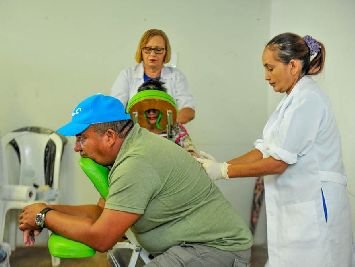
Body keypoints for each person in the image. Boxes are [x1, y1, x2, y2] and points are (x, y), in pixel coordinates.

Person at [19, 94, 253, 267]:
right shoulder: (132, 147)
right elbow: (101, 213)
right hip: (190, 245)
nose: (77, 147)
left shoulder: (136, 162)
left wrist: (43, 217)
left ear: (110, 136)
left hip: (215, 250)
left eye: (82, 138)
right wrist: (45, 211)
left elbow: (102, 238)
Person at [197, 33, 353, 267]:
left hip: (315, 210)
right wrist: (221, 164)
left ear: (293, 65)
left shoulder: (308, 100)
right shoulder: (289, 102)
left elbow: (278, 162)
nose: (266, 76)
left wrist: (224, 171)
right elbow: (263, 150)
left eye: (270, 68)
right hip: (295, 212)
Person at [110, 28, 195, 124]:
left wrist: (165, 125)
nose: (153, 54)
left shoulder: (176, 76)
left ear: (165, 52)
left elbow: (188, 110)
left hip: (167, 132)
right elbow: (115, 108)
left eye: (158, 49)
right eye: (148, 49)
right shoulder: (127, 75)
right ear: (141, 51)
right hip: (135, 132)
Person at [127, 79, 199, 157]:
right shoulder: (131, 130)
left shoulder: (175, 127)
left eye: (155, 109)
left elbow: (192, 153)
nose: (151, 113)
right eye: (147, 110)